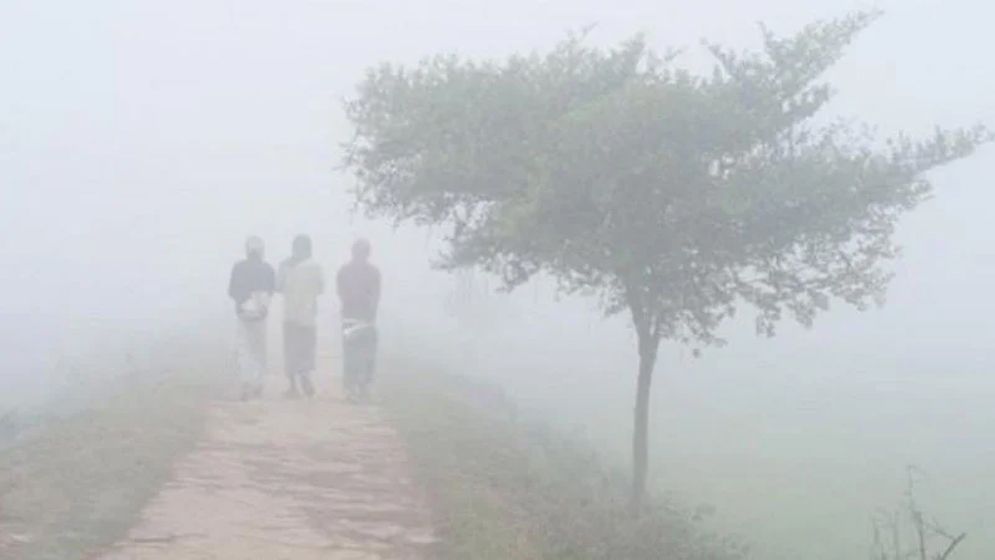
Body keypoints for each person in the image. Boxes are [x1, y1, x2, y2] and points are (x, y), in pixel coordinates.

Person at [227, 236, 275, 400]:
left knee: (244, 349)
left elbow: (231, 291)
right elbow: (271, 290)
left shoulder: (238, 268)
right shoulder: (267, 269)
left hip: (243, 314)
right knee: (259, 350)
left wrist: (243, 300)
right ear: (261, 251)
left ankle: (245, 382)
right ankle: (258, 383)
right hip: (260, 315)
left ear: (247, 251)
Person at [277, 234, 324, 398]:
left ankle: (293, 387)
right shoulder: (315, 266)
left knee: (291, 350)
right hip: (308, 315)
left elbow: (278, 287)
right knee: (306, 349)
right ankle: (305, 375)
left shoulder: (285, 266)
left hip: (290, 315)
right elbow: (321, 288)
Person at [336, 238, 381, 402]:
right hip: (353, 317)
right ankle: (352, 388)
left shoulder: (371, 272)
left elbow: (376, 294)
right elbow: (341, 292)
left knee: (365, 354)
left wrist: (371, 312)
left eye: (362, 252)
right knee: (353, 354)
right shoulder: (346, 271)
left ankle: (362, 387)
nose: (360, 255)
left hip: (363, 317)